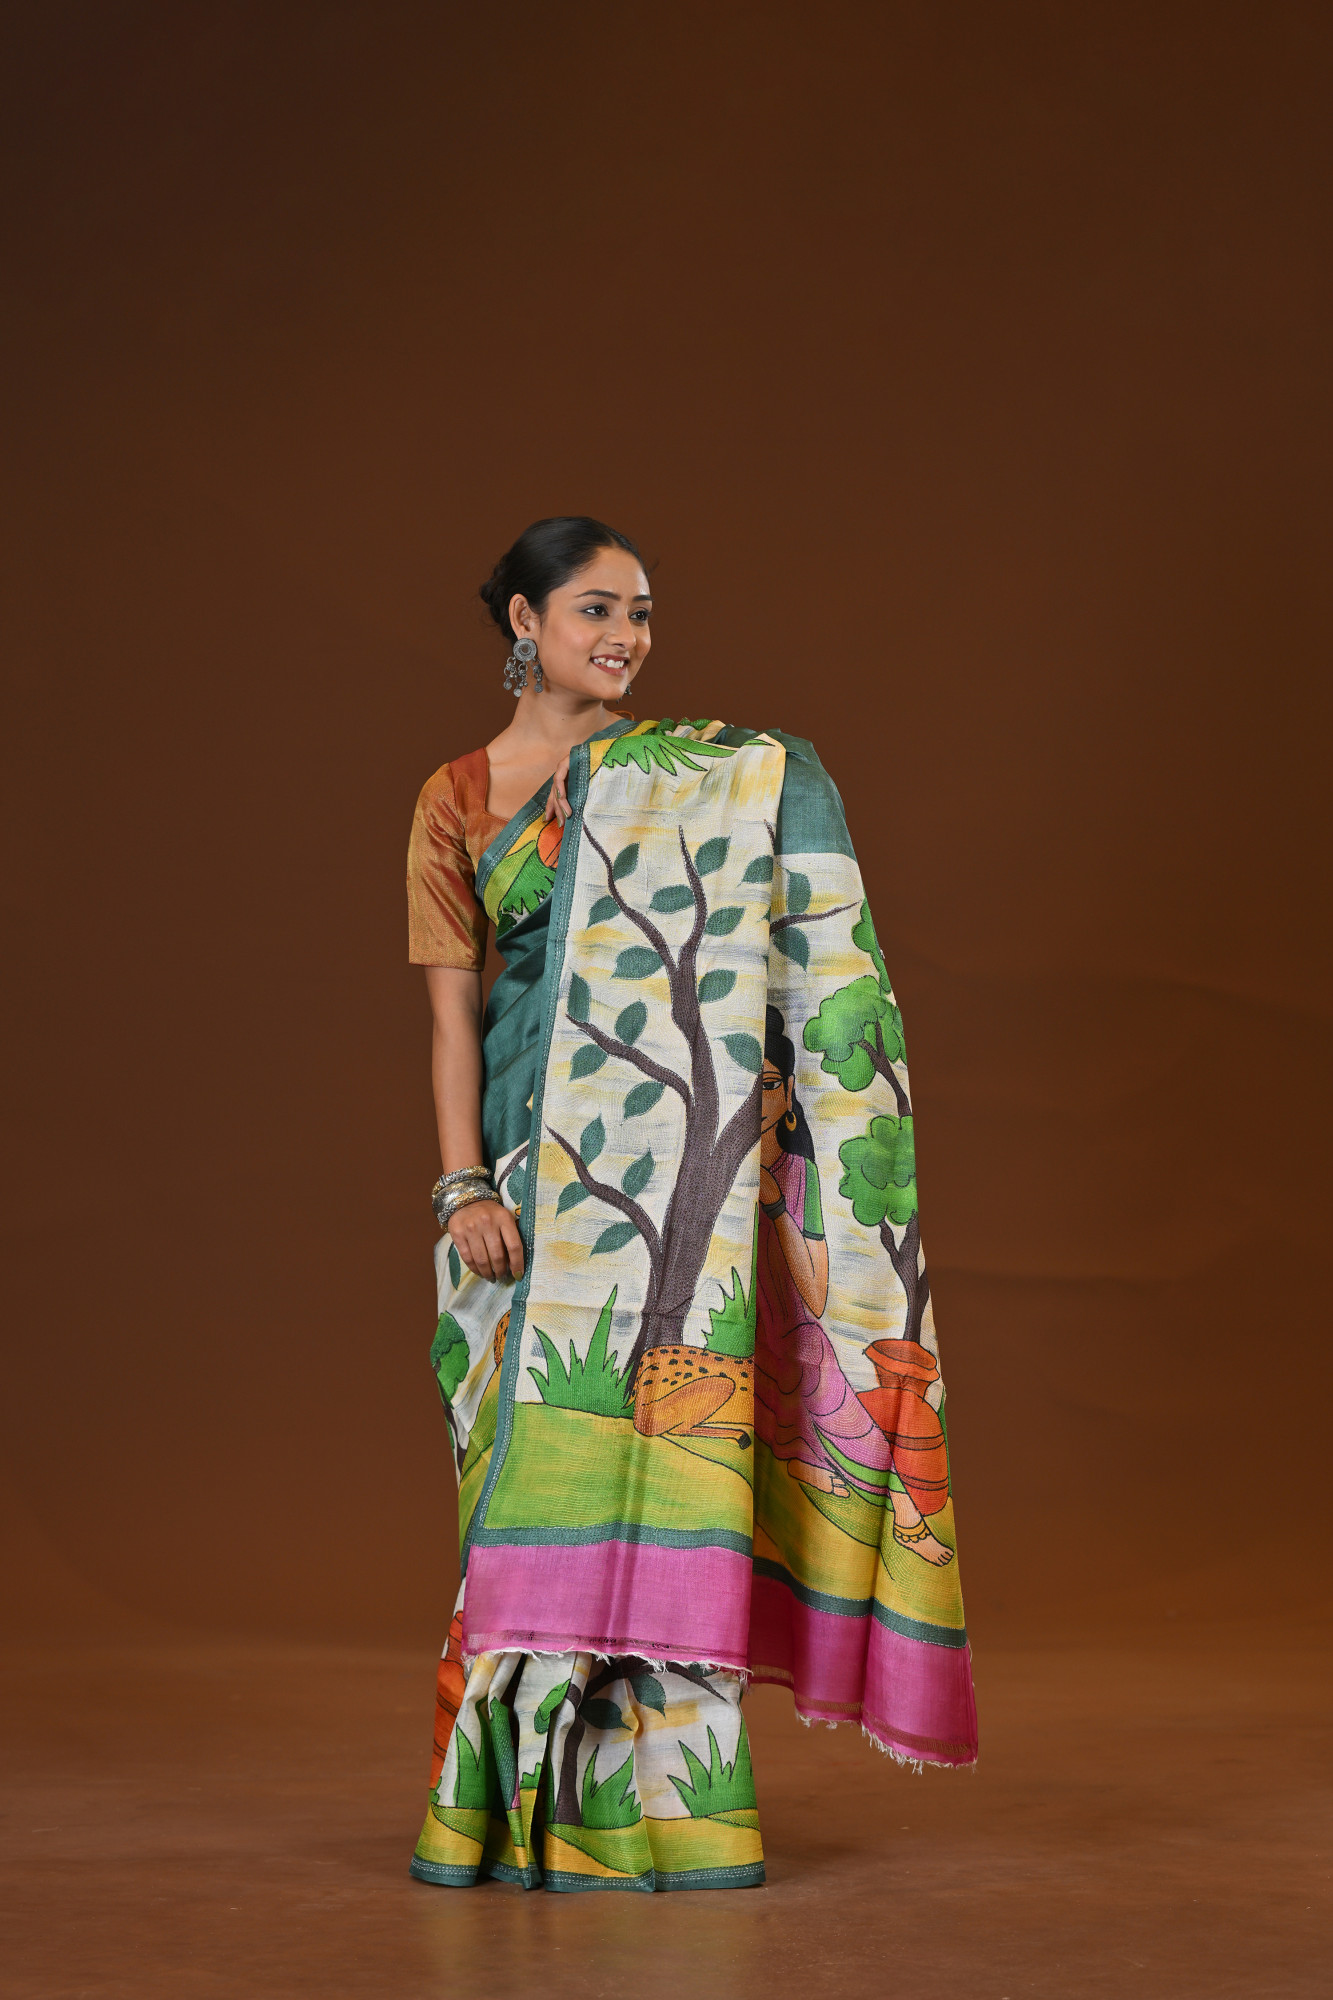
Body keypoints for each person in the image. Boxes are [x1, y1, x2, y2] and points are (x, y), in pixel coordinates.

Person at [406, 518, 976, 1895]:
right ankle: (504, 1806)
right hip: (523, 1184)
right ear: (525, 621)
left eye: (644, 613)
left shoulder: (718, 785)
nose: (627, 637)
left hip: (676, 1206)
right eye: (598, 609)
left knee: (674, 1472)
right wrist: (463, 1184)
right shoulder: (457, 797)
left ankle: (667, 1812)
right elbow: (452, 1018)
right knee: (513, 1497)